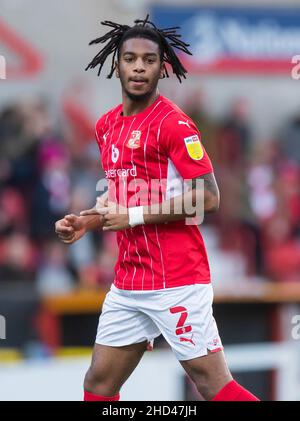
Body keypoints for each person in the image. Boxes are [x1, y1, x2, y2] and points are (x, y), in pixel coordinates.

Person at [55, 16, 259, 402]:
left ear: (161, 67)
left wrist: (131, 216)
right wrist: (88, 220)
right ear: (116, 63)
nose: (138, 67)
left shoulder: (175, 124)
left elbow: (209, 197)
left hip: (177, 278)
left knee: (212, 384)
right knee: (98, 384)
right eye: (130, 58)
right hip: (130, 279)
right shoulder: (105, 127)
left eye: (148, 61)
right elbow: (124, 194)